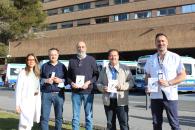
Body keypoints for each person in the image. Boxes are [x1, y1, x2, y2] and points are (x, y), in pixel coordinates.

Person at [144, 33, 186, 130]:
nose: (160, 43)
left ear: (167, 43)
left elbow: (183, 75)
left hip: (170, 95)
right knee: (156, 124)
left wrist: (169, 83)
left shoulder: (175, 57)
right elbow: (147, 75)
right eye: (158, 41)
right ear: (155, 43)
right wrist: (148, 86)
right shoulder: (151, 59)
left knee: (174, 124)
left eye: (163, 41)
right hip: (155, 96)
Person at [96, 49, 134, 130]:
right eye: (111, 55)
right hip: (108, 101)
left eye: (115, 55)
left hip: (121, 101)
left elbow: (131, 82)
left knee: (124, 123)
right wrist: (103, 88)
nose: (113, 57)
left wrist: (122, 86)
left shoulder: (125, 68)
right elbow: (98, 83)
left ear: (118, 57)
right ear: (108, 57)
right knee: (110, 124)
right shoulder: (104, 69)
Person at [67, 41, 99, 130]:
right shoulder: (72, 60)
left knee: (89, 116)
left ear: (86, 48)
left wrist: (88, 82)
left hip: (88, 92)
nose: (81, 49)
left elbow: (96, 75)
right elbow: (68, 76)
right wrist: (71, 83)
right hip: (75, 93)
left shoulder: (91, 60)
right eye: (79, 47)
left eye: (83, 47)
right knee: (75, 116)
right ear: (76, 48)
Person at [40, 48, 67, 130]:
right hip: (46, 94)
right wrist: (45, 80)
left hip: (59, 94)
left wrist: (61, 80)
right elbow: (39, 79)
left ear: (58, 55)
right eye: (51, 55)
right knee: (44, 116)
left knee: (59, 117)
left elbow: (68, 80)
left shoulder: (62, 66)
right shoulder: (44, 66)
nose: (53, 56)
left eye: (55, 55)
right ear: (49, 56)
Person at [15, 53, 41, 130]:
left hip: (34, 100)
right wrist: (17, 105)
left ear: (35, 61)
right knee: (23, 123)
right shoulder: (23, 72)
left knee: (30, 122)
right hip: (25, 101)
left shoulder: (37, 73)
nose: (31, 61)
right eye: (29, 60)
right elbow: (18, 89)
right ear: (26, 61)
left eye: (33, 60)